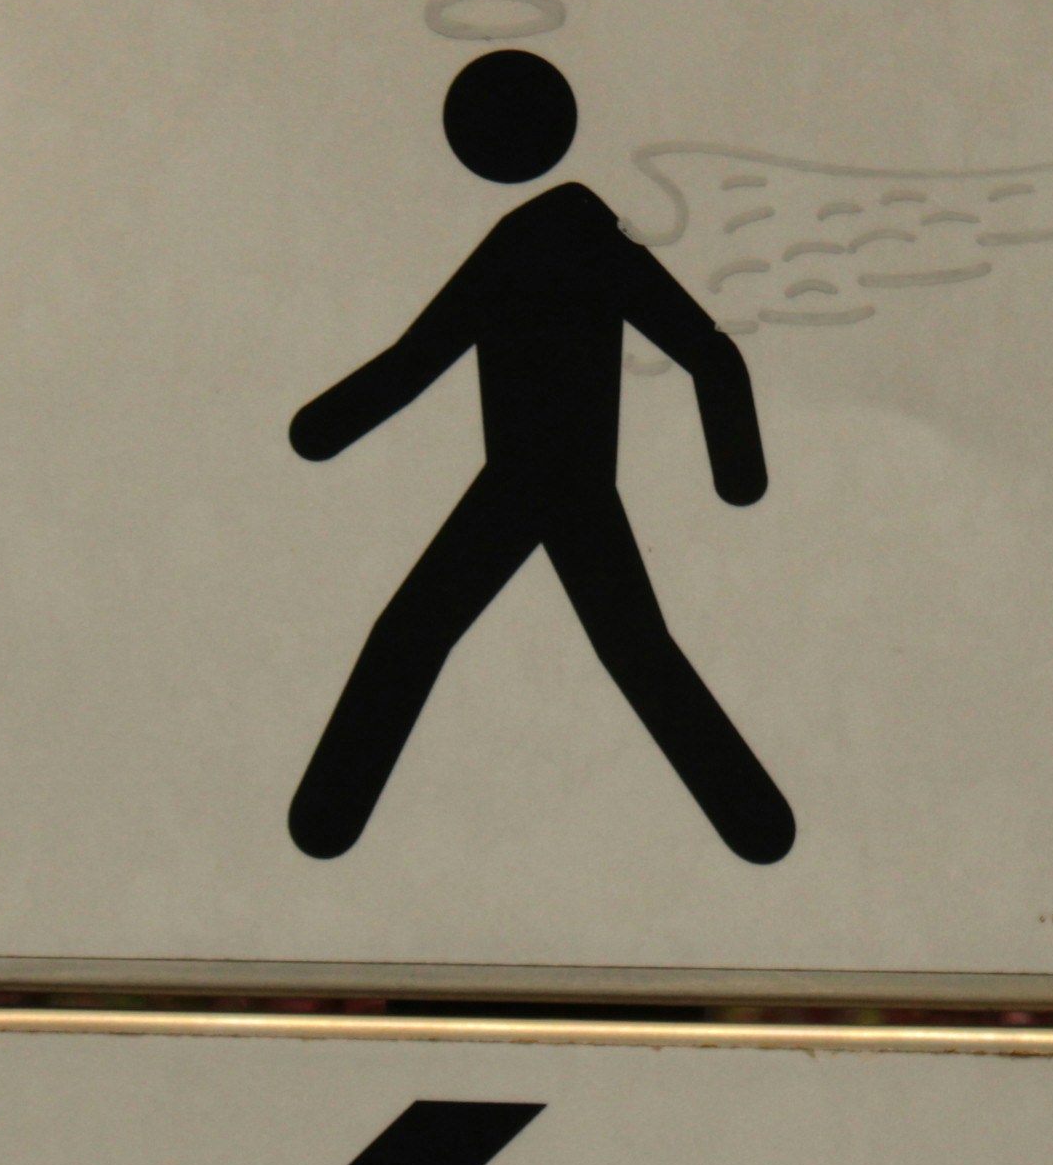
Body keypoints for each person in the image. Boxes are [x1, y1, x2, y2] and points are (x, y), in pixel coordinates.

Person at [286, 47, 796, 864]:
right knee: (623, 647)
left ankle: (327, 819)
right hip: (557, 489)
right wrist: (736, 474)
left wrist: (322, 430)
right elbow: (712, 355)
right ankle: (757, 823)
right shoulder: (583, 243)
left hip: (530, 488)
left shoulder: (530, 244)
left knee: (417, 632)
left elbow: (415, 360)